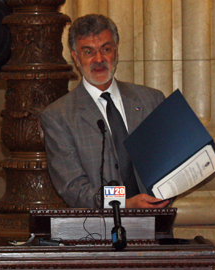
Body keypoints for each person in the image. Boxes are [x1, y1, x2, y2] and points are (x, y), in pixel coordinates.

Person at [40, 14, 170, 209]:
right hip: (99, 232)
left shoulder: (151, 100)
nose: (99, 59)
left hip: (157, 227)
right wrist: (123, 204)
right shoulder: (59, 116)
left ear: (116, 52)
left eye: (106, 49)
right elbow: (72, 187)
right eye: (88, 52)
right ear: (76, 57)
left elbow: (170, 163)